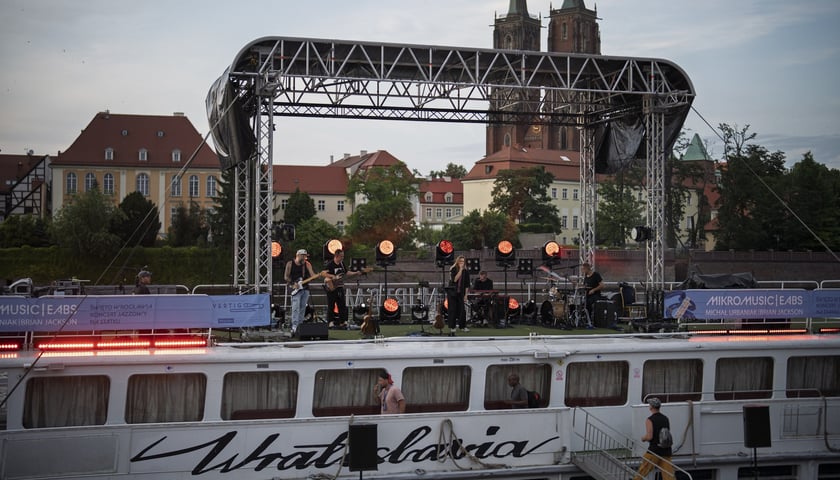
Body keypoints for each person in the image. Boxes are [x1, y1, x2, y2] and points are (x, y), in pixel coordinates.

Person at [633, 397, 674, 480]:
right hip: (666, 450)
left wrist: (643, 438)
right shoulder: (665, 418)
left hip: (654, 451)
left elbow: (649, 436)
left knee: (642, 471)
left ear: (651, 407)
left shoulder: (650, 420)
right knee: (668, 476)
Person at [323, 249, 365, 328]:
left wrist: (356, 273)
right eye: (341, 256)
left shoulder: (342, 264)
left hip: (340, 287)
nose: (342, 258)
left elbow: (346, 273)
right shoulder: (330, 264)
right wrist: (333, 276)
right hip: (331, 287)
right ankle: (330, 322)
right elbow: (324, 274)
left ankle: (343, 322)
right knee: (331, 305)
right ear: (336, 256)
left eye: (343, 256)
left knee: (342, 305)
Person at [284, 249, 319, 336]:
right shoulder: (290, 264)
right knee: (295, 307)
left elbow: (312, 275)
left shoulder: (307, 264)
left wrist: (318, 275)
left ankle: (300, 325)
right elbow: (286, 277)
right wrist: (293, 283)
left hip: (305, 288)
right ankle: (294, 326)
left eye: (305, 256)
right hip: (294, 288)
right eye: (303, 256)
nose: (304, 258)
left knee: (302, 307)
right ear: (298, 255)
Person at [447, 255, 470, 333]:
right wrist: (460, 270)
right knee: (452, 310)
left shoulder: (466, 271)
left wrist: (466, 295)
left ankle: (462, 326)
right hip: (452, 293)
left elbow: (467, 284)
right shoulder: (453, 269)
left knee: (462, 310)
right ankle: (452, 326)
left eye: (463, 261)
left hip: (461, 293)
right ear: (457, 262)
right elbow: (455, 280)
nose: (461, 263)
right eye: (460, 261)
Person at [580, 262, 603, 328]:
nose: (582, 271)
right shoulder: (586, 277)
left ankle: (589, 320)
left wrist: (593, 290)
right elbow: (585, 286)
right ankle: (583, 319)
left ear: (586, 268)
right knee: (581, 302)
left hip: (595, 295)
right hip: (587, 295)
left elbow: (602, 285)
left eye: (583, 269)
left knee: (588, 303)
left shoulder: (596, 275)